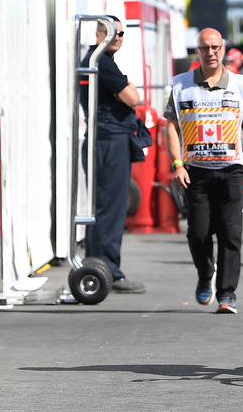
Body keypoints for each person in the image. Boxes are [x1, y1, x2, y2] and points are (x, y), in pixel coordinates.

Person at [165, 27, 243, 314]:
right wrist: (176, 164)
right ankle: (204, 274)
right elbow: (171, 128)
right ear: (196, 51)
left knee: (230, 233)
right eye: (204, 48)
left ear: (223, 49)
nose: (210, 53)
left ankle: (226, 294)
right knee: (197, 234)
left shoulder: (240, 83)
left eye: (215, 47)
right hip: (194, 172)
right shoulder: (179, 84)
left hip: (232, 170)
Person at [79, 16, 145, 293]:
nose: (118, 38)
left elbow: (129, 95)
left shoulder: (99, 61)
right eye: (113, 33)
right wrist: (126, 91)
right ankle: (108, 271)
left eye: (121, 34)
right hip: (107, 141)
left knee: (106, 208)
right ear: (99, 34)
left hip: (106, 139)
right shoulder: (101, 61)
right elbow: (133, 97)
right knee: (110, 209)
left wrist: (126, 91)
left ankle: (100, 267)